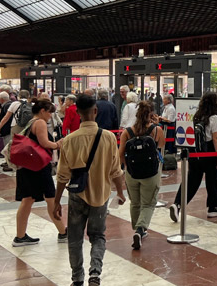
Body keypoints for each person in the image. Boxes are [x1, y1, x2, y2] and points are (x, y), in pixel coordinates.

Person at [53, 94, 126, 286]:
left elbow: (62, 175)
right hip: (101, 194)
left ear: (77, 113)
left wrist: (57, 201)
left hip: (77, 194)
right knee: (98, 236)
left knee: (75, 238)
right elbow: (116, 170)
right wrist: (120, 192)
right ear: (95, 111)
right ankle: (95, 274)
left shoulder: (69, 140)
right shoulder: (109, 137)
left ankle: (77, 278)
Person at [13, 99, 66, 246]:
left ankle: (20, 236)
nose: (51, 116)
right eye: (50, 112)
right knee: (51, 197)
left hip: (27, 167)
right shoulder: (40, 123)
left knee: (28, 199)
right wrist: (57, 144)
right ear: (43, 111)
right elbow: (44, 143)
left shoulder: (31, 122)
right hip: (38, 168)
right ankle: (63, 232)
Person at [168, 92, 217, 221]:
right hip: (209, 151)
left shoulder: (197, 116)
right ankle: (213, 207)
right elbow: (215, 138)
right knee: (212, 180)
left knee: (191, 181)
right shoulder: (214, 118)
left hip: (196, 152)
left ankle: (177, 204)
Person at [119, 101, 164, 250]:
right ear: (151, 114)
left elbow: (120, 155)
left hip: (132, 173)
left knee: (135, 202)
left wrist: (127, 168)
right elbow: (161, 145)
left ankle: (136, 228)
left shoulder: (127, 132)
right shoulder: (156, 130)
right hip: (151, 173)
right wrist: (156, 124)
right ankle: (140, 229)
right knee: (148, 203)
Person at [0, 92, 14, 171]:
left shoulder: (7, 106)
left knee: (8, 147)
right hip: (8, 129)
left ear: (1, 99)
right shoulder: (10, 104)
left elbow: (6, 118)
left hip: (7, 130)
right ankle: (7, 161)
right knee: (7, 146)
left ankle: (9, 163)